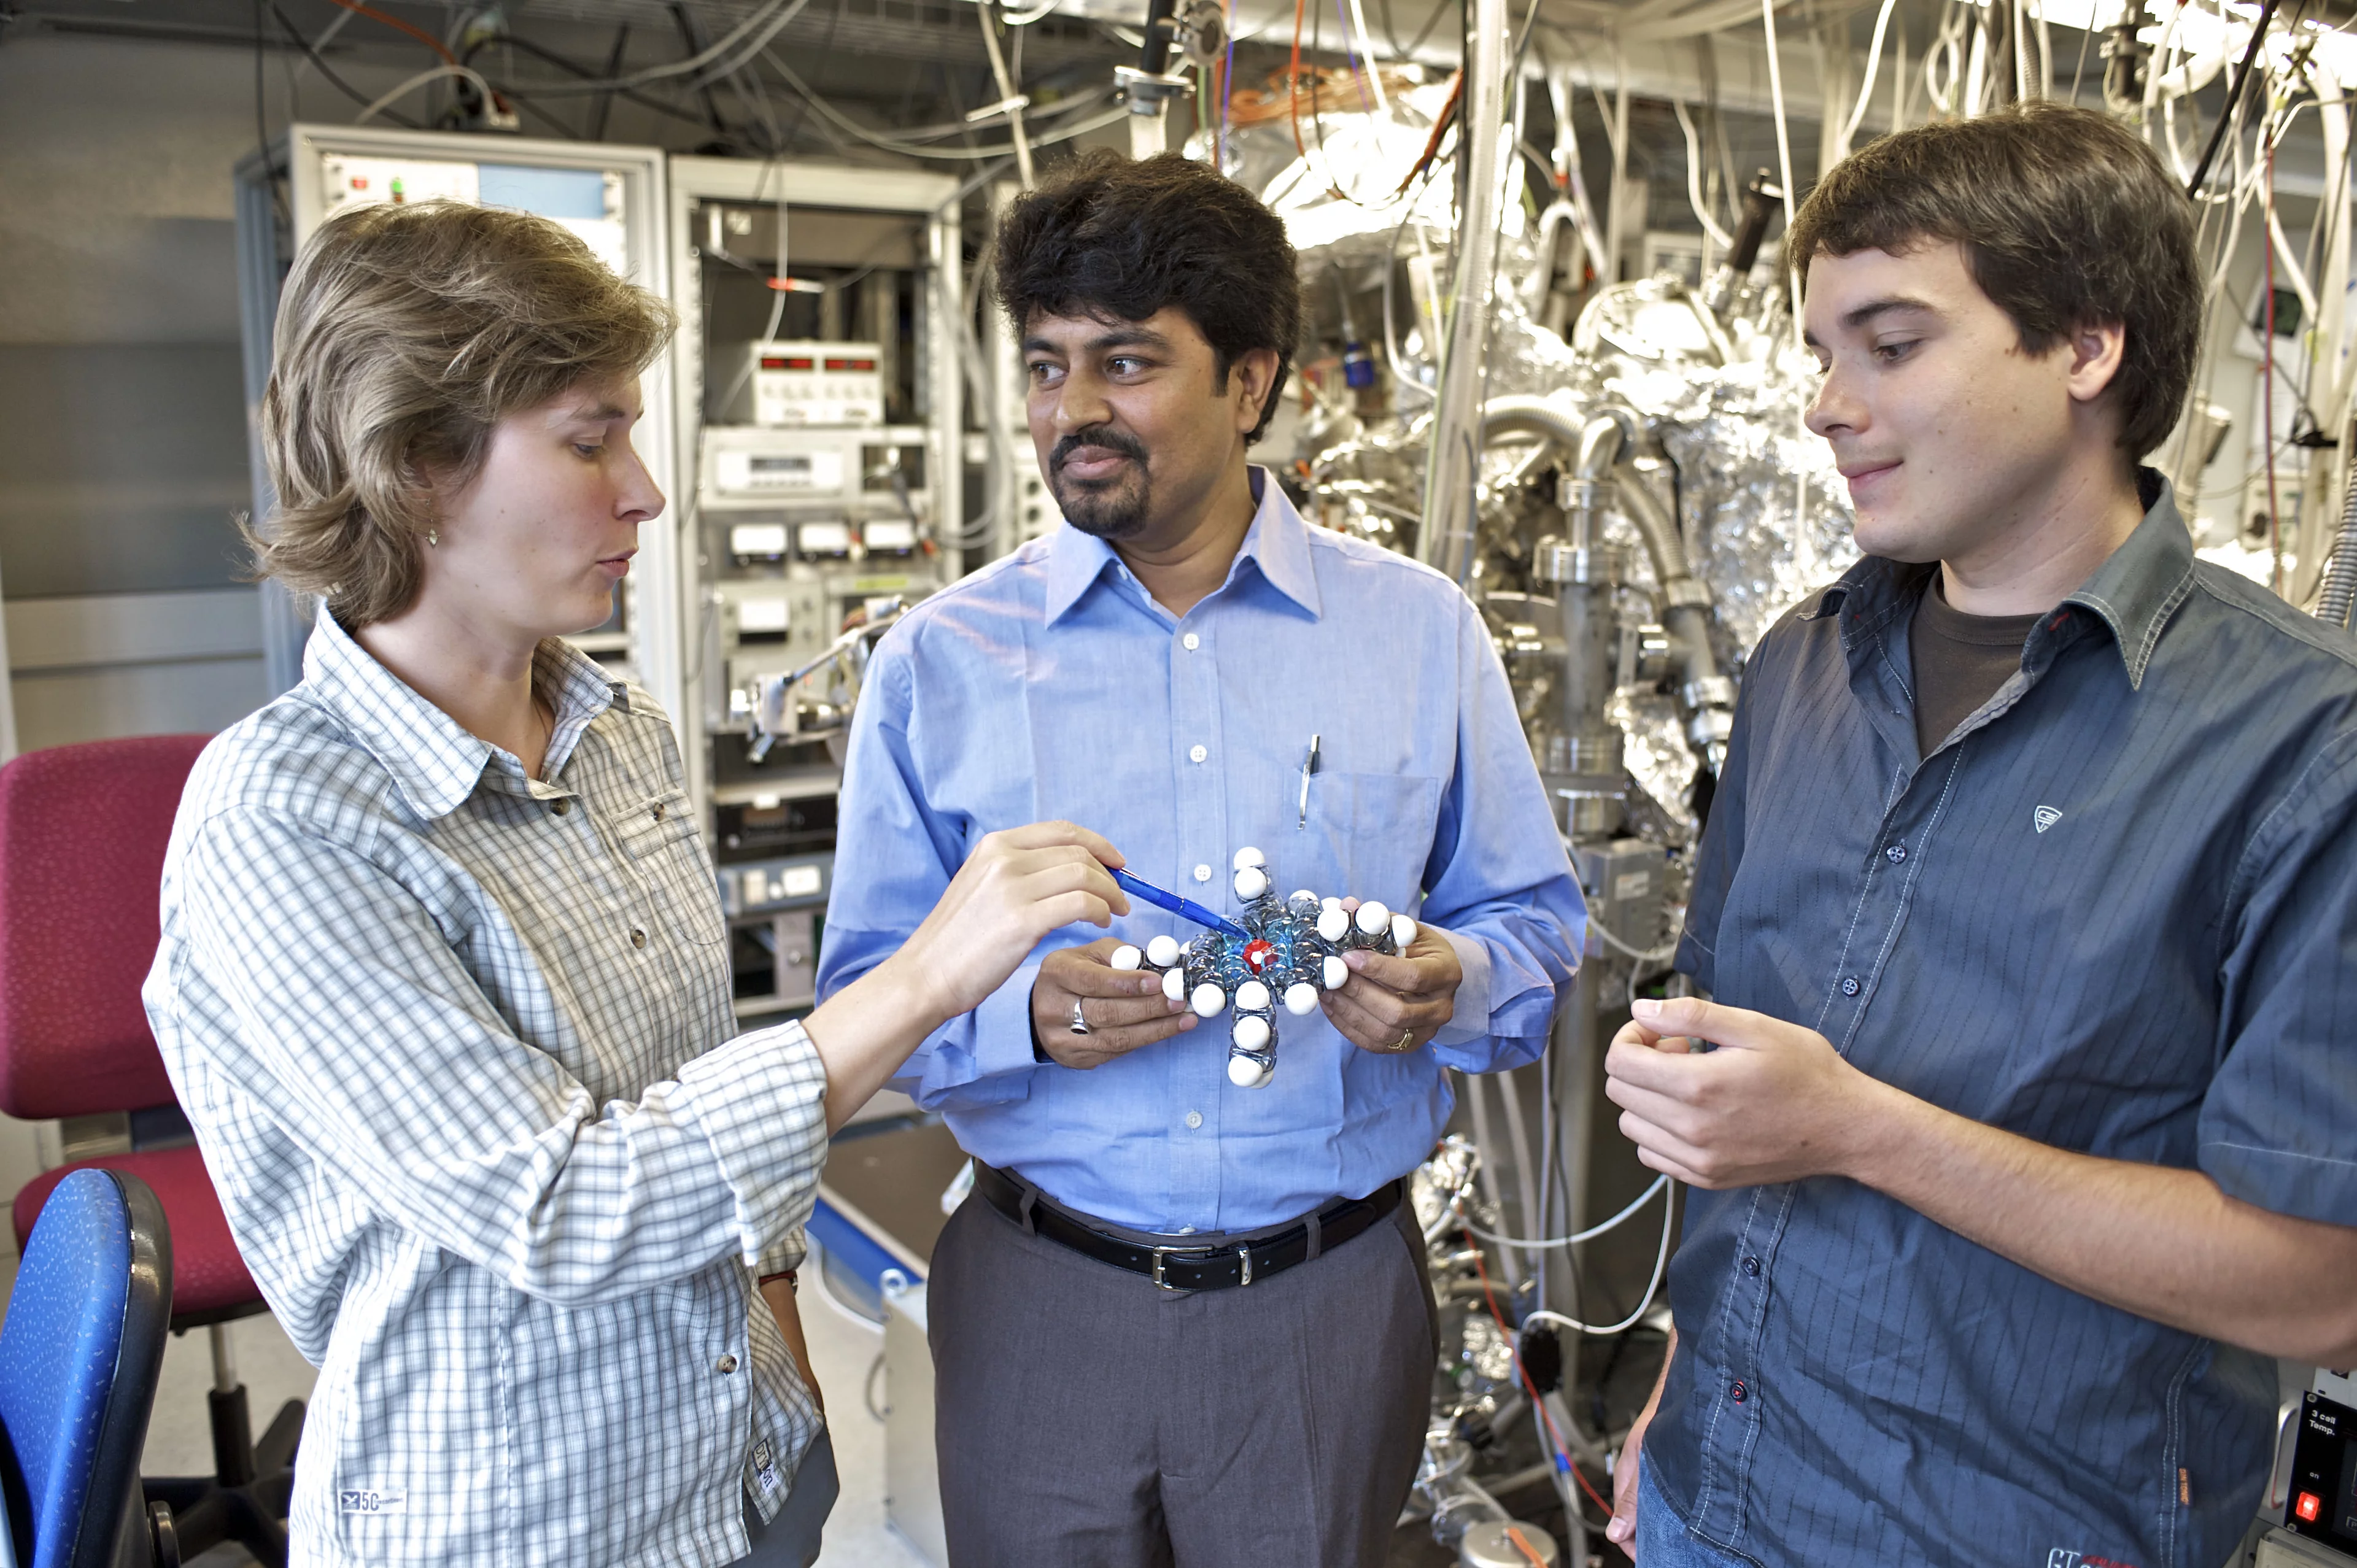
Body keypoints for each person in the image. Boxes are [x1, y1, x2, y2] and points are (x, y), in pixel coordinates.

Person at [142, 199, 1137, 1568]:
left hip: (739, 1475)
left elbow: (694, 1078)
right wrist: (926, 975)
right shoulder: (284, 822)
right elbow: (567, 1204)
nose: (646, 490)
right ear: (415, 464)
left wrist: (782, 1358)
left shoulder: (617, 732)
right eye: (590, 436)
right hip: (518, 1520)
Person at [1601, 102, 2357, 1567]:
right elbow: (1722, 1076)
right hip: (1717, 1493)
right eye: (1822, 353)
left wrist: (1859, 1127)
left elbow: (2316, 1282)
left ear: (2085, 346)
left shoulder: (2298, 742)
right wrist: (1685, 1373)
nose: (1828, 401)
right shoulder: (1800, 667)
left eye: (1891, 345)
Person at [815, 150, 1585, 1567]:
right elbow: (859, 996)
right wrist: (1015, 1013)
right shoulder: (942, 662)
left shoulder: (1417, 634)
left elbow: (1536, 928)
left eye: (1126, 362)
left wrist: (1447, 976)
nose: (1074, 412)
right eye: (1047, 366)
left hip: (1322, 1308)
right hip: (1043, 1302)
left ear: (1250, 383)